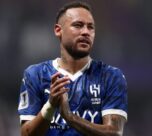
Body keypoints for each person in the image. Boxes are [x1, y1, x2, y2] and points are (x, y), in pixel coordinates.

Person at [18, 1, 128, 136]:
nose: (86, 32)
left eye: (90, 27)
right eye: (78, 25)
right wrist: (50, 106)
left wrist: (70, 117)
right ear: (58, 30)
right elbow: (26, 134)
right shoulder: (35, 75)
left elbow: (114, 133)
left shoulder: (110, 76)